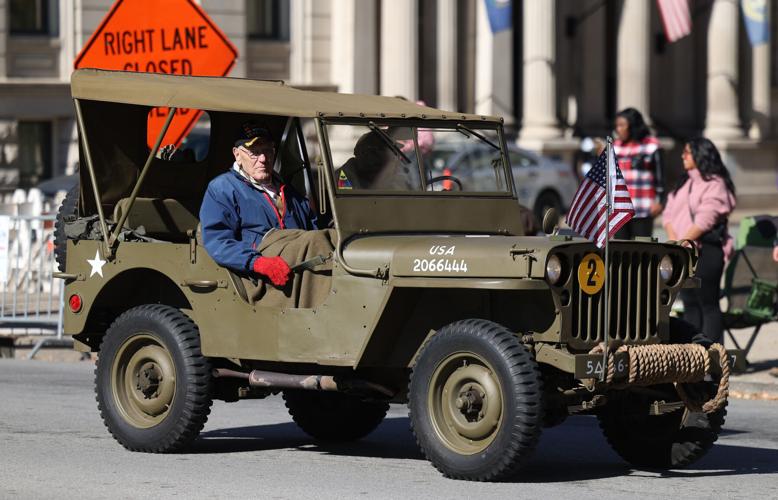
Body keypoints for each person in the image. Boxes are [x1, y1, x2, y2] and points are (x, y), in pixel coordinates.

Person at [199, 123, 318, 288]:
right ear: (237, 155)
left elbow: (314, 231)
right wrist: (258, 263)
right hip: (254, 280)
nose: (263, 159)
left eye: (268, 151)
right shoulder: (223, 188)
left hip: (302, 273)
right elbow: (218, 241)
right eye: (254, 152)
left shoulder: (290, 192)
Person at [663, 137, 736, 344]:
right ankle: (692, 358)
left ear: (700, 154)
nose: (682, 156)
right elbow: (668, 214)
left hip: (707, 251)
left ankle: (713, 359)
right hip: (682, 252)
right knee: (689, 303)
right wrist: (675, 241)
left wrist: (683, 241)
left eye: (687, 152)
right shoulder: (684, 182)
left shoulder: (715, 183)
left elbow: (707, 218)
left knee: (708, 304)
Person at [612, 108, 665, 239]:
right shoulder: (615, 146)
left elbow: (660, 177)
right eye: (617, 125)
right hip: (619, 208)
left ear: (633, 125)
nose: (618, 129)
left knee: (642, 249)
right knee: (620, 251)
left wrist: (660, 201)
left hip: (643, 207)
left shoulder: (651, 146)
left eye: (622, 125)